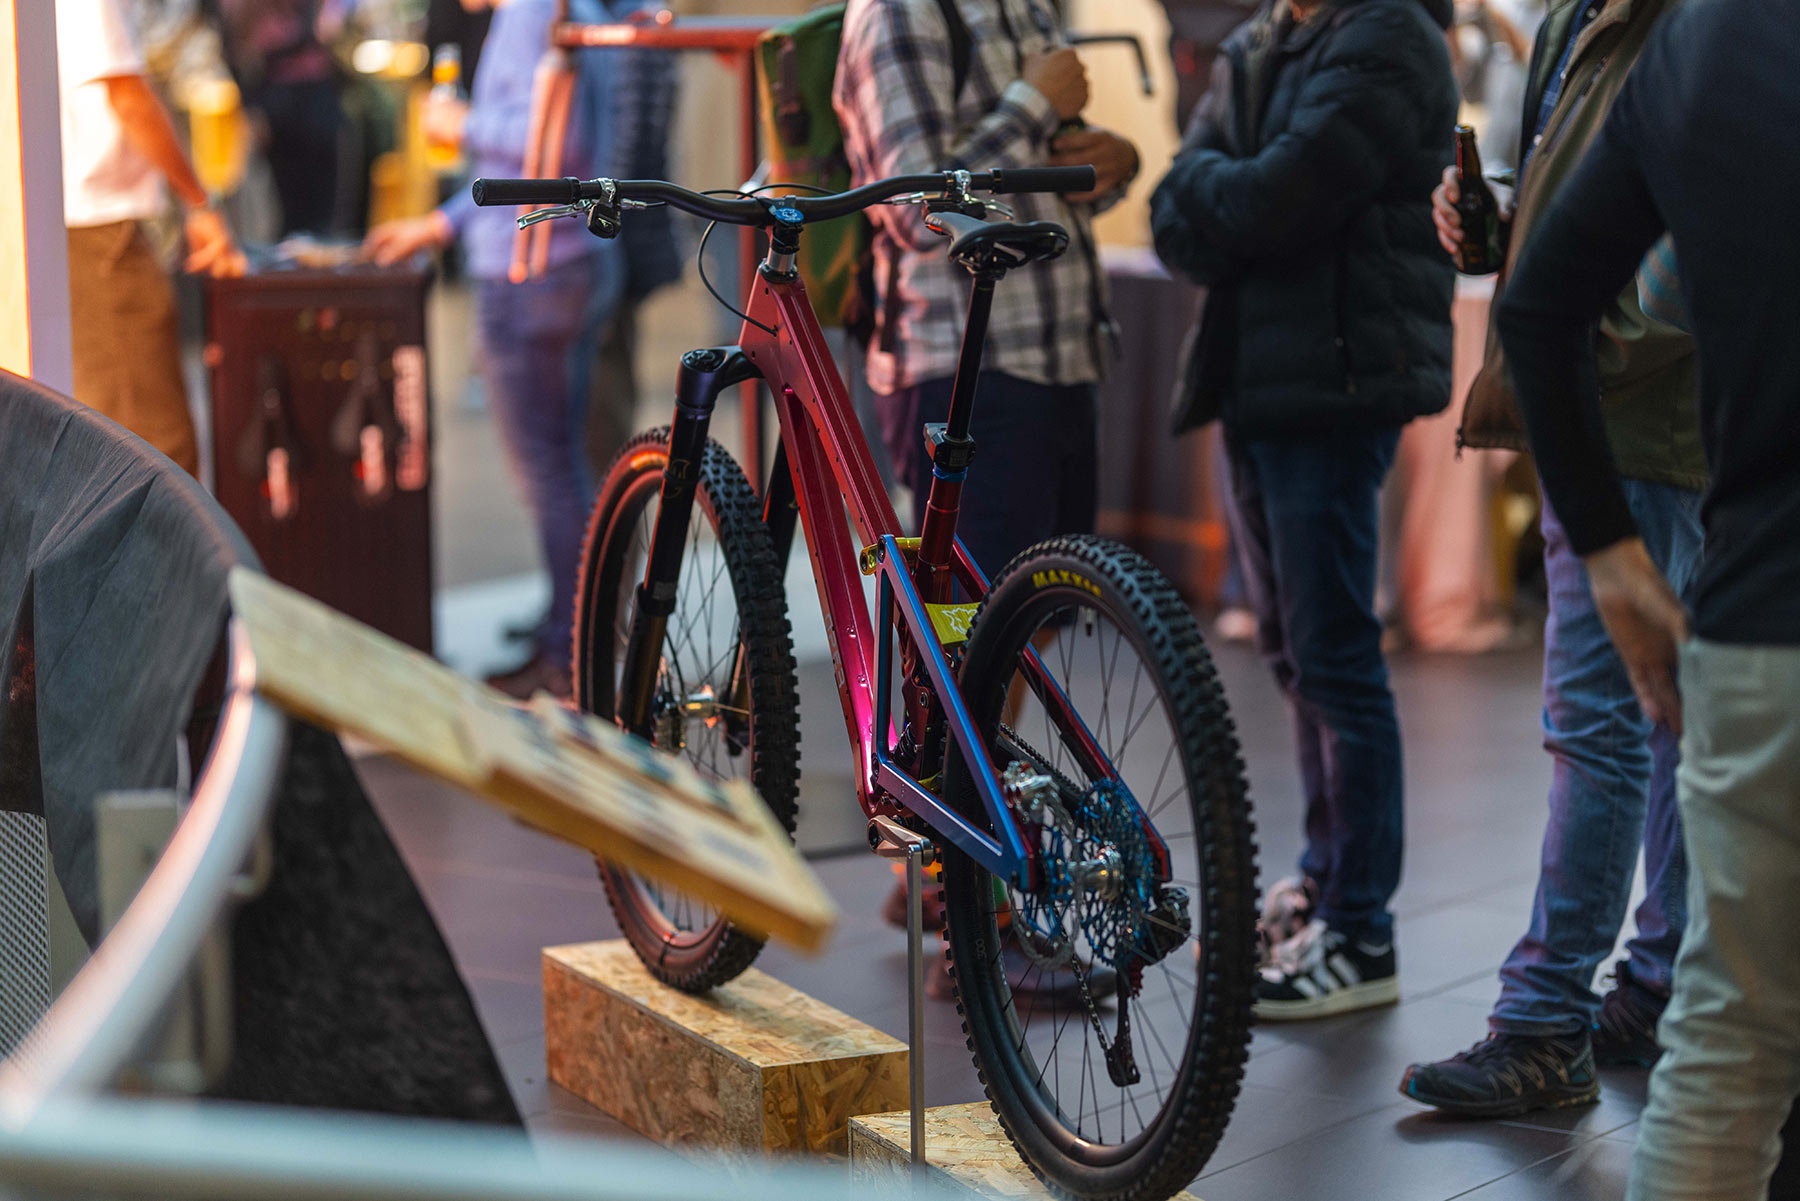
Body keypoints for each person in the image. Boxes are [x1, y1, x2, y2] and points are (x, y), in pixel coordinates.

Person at [1493, 4, 1800, 1193]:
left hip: (1760, 614)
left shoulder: (1708, 37)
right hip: (1747, 594)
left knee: (1731, 1045)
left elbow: (1543, 306)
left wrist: (1614, 555)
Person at [1400, 0, 1702, 1117]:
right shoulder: (1583, 14)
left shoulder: (1687, 22)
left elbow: (1688, 252)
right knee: (1662, 718)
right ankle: (1659, 985)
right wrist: (1495, 223)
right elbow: (1590, 204)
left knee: (1603, 724)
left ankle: (1543, 1022)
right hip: (1622, 416)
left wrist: (1567, 341)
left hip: (1642, 426)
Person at [1149, 0, 1458, 1019]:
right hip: (1257, 382)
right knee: (1293, 650)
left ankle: (1361, 931)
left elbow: (1277, 198)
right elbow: (1175, 209)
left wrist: (1218, 194)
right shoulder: (1264, 36)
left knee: (1335, 658)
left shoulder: (1387, 34)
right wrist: (1221, 195)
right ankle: (1327, 883)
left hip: (1336, 385)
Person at [366, 0, 657, 700]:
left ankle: (572, 657)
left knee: (555, 474)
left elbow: (559, 148)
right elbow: (538, 161)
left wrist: (459, 124)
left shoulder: (534, 10)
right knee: (564, 468)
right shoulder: (543, 9)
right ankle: (570, 638)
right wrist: (440, 223)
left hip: (536, 270)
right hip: (558, 261)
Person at [833, 0, 1139, 585]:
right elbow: (916, 209)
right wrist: (1036, 103)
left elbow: (1044, 178)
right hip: (967, 376)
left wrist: (1115, 163)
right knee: (973, 621)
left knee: (1049, 610)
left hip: (1067, 357)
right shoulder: (897, 12)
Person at [57, 0, 246, 479]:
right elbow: (125, 94)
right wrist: (198, 203)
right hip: (98, 224)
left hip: (84, 218)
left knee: (120, 439)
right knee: (155, 451)